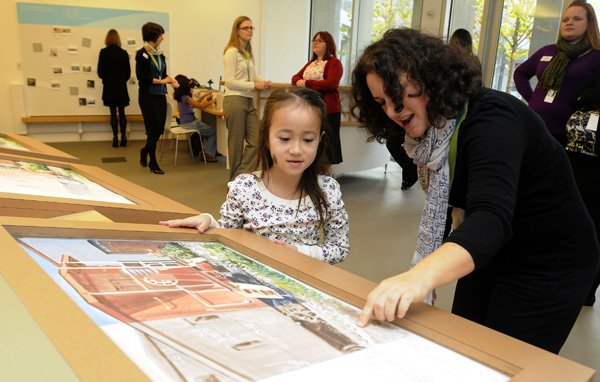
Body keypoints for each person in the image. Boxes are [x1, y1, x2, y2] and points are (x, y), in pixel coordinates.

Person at [351, 28, 599, 354]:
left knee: (504, 360)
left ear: (432, 79)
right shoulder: (427, 135)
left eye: (400, 94)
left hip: (550, 263)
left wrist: (418, 277)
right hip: (492, 252)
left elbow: (489, 217)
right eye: (381, 102)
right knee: (464, 350)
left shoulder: (493, 121)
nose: (393, 111)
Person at [161, 87, 350, 264]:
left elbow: (339, 248)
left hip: (303, 282)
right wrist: (209, 222)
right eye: (284, 138)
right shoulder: (245, 187)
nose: (296, 150)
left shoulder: (328, 189)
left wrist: (299, 251)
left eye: (308, 140)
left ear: (320, 139)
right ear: (266, 137)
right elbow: (227, 235)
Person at [514, 0, 600, 147]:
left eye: (577, 19)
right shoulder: (548, 51)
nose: (569, 23)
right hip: (533, 124)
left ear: (589, 24)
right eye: (565, 19)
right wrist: (532, 99)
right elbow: (520, 73)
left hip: (569, 134)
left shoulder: (595, 56)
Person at [223, 16, 271, 180]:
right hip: (234, 100)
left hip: (248, 100)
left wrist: (262, 81)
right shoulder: (231, 52)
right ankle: (235, 183)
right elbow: (229, 82)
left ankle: (238, 178)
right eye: (246, 28)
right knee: (235, 145)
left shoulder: (247, 53)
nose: (250, 31)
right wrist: (253, 86)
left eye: (252, 28)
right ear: (237, 31)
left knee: (257, 142)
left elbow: (252, 75)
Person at [567, 72, 600, 306]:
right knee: (574, 229)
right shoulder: (593, 75)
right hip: (574, 171)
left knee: (596, 234)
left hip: (596, 177)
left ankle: (587, 291)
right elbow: (576, 97)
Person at [292, 31, 344, 164]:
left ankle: (327, 175)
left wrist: (307, 83)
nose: (315, 43)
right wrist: (304, 82)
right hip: (310, 107)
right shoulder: (312, 63)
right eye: (314, 40)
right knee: (313, 139)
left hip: (328, 109)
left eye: (319, 40)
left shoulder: (334, 63)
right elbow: (294, 78)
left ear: (328, 44)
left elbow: (331, 83)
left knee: (328, 141)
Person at [136, 22, 179, 175]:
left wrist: (172, 81)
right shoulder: (141, 54)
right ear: (153, 36)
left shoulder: (159, 55)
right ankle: (153, 162)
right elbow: (143, 78)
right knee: (152, 130)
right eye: (160, 35)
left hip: (160, 95)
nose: (162, 38)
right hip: (147, 97)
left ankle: (144, 151)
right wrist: (163, 81)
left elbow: (164, 74)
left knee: (159, 129)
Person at [173, 74, 218, 162]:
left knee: (207, 131)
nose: (192, 89)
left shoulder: (182, 97)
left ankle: (206, 151)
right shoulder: (186, 98)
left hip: (185, 123)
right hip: (191, 123)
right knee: (213, 132)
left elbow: (195, 103)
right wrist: (214, 100)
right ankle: (208, 153)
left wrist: (204, 95)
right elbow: (200, 106)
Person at [97, 29, 130, 148]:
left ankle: (115, 138)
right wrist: (120, 80)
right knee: (122, 112)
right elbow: (128, 72)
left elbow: (100, 72)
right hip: (121, 85)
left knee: (112, 113)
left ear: (107, 39)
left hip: (109, 86)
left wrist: (107, 78)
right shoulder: (124, 53)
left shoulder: (103, 52)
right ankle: (124, 138)